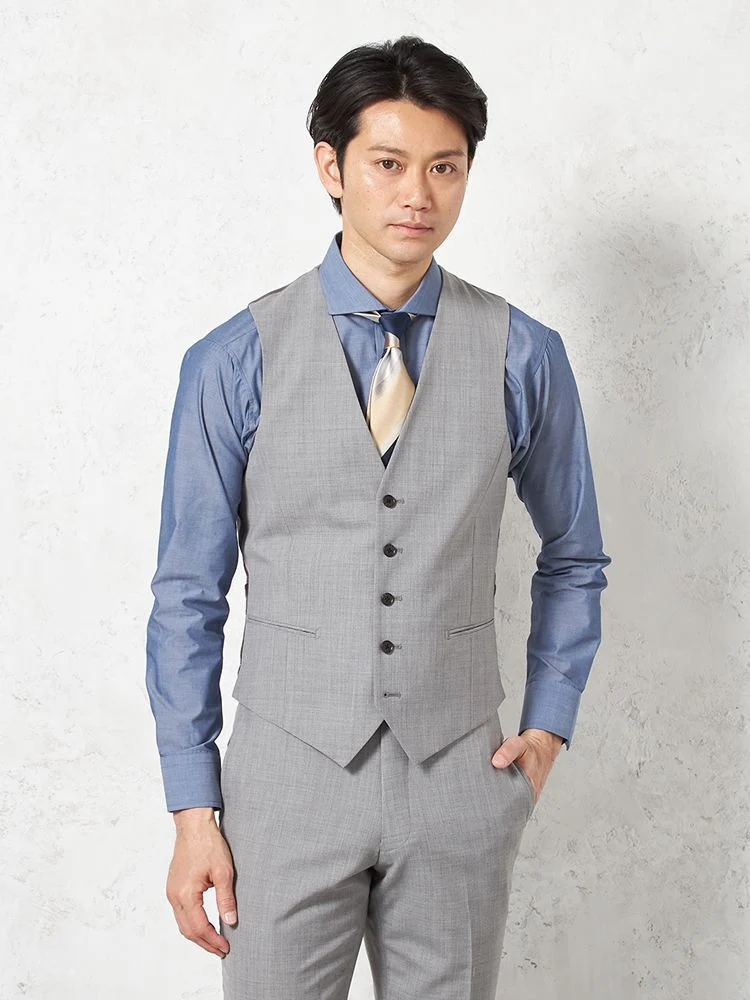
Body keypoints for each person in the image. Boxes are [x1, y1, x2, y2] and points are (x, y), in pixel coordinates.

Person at [145, 34, 611, 1000]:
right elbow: (188, 595)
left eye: (445, 167)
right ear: (332, 167)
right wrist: (193, 807)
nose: (418, 195)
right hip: (285, 783)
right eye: (389, 164)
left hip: (460, 777)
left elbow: (574, 556)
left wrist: (548, 729)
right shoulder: (234, 360)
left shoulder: (523, 354)